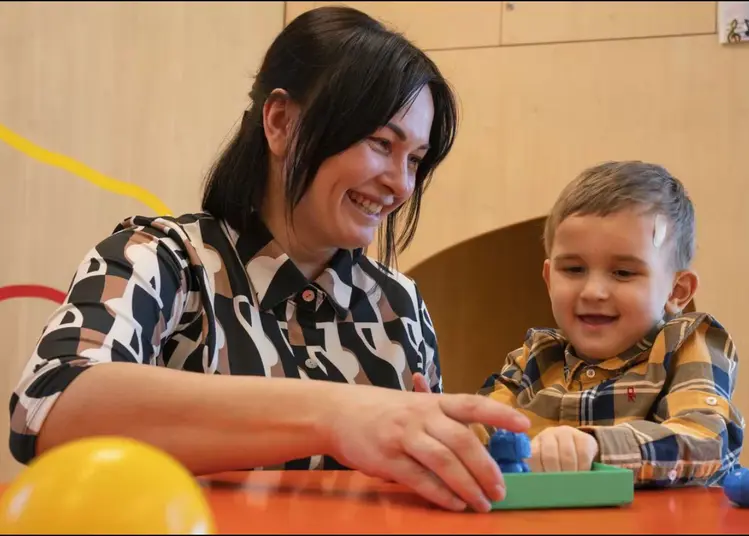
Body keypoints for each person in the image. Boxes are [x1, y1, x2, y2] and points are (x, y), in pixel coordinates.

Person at [7, 6, 530, 513]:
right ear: (280, 122)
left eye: (415, 160)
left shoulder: (401, 304)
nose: (400, 184)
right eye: (379, 143)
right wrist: (337, 413)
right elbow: (48, 403)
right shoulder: (160, 259)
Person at [470, 161, 745, 487]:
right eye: (573, 269)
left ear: (676, 291)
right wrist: (441, 428)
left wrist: (596, 446)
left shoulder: (686, 345)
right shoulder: (532, 359)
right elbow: (479, 433)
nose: (593, 292)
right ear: (548, 279)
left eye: (623, 273)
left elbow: (707, 441)